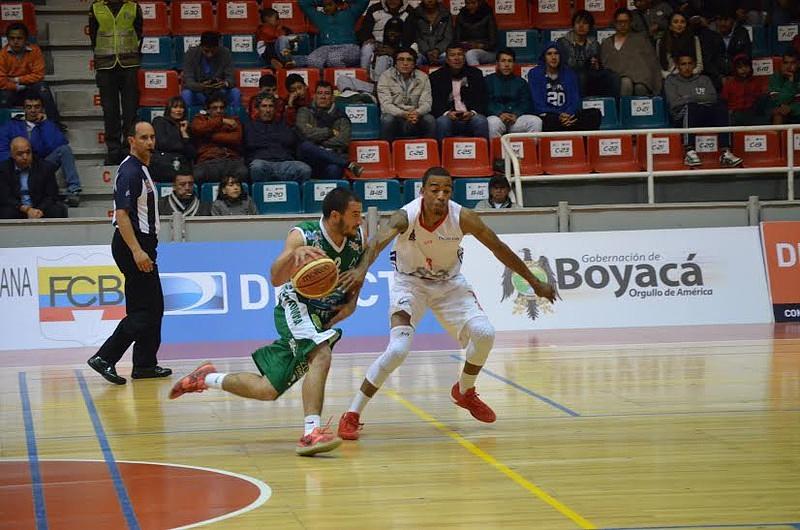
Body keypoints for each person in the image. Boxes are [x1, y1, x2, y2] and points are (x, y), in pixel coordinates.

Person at [337, 167, 556, 440]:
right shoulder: (406, 216)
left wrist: (535, 283)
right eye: (435, 190)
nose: (441, 196)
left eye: (446, 190)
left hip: (449, 285)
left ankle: (465, 391)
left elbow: (499, 248)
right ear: (423, 191)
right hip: (409, 283)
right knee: (398, 349)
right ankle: (353, 413)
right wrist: (361, 270)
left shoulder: (463, 217)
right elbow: (376, 242)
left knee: (485, 334)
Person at [171, 187, 367, 456]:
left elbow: (357, 270)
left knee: (267, 390)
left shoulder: (356, 237)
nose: (361, 220)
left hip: (321, 317)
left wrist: (352, 301)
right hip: (295, 305)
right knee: (320, 354)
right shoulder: (303, 234)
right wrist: (290, 257)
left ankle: (206, 378)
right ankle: (311, 433)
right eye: (355, 214)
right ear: (335, 216)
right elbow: (275, 278)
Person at [87, 122, 172, 385]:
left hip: (143, 244)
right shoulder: (130, 171)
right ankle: (105, 357)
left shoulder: (142, 169)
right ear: (131, 140)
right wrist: (137, 251)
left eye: (152, 137)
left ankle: (145, 364)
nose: (150, 142)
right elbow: (121, 214)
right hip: (132, 244)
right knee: (144, 310)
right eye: (143, 137)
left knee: (154, 306)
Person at [0, 93, 82, 206]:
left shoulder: (48, 124)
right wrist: (18, 160)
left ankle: (74, 191)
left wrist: (44, 124)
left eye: (37, 107)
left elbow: (57, 144)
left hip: (41, 164)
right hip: (17, 164)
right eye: (29, 107)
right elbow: (2, 150)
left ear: (42, 108)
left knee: (65, 150)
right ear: (23, 109)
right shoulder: (11, 126)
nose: (33, 110)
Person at [664, 54, 743, 168]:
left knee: (720, 107)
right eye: (683, 64)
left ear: (694, 65)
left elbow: (713, 98)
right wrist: (697, 98)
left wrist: (687, 98)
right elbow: (674, 103)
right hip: (681, 117)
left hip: (703, 113)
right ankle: (689, 152)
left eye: (690, 63)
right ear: (677, 66)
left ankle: (726, 153)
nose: (687, 67)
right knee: (691, 107)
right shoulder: (671, 81)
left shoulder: (704, 79)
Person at [89, 0, 142, 165]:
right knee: (110, 110)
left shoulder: (133, 6)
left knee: (130, 111)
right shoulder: (96, 7)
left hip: (130, 65)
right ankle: (113, 151)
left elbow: (139, 33)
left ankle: (129, 150)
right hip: (105, 66)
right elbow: (94, 35)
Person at [0, 23, 63, 130]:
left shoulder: (35, 51)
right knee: (3, 96)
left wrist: (17, 79)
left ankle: (55, 124)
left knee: (43, 87)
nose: (15, 41)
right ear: (8, 39)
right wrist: (15, 86)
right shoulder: (2, 54)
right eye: (12, 38)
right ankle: (4, 128)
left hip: (31, 87)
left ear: (26, 39)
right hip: (11, 89)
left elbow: (39, 75)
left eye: (19, 38)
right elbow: (1, 80)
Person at [296, 81, 364, 179]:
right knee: (305, 145)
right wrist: (330, 132)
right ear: (314, 96)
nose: (323, 97)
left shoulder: (341, 117)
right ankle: (349, 165)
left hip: (332, 159)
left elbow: (343, 141)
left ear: (332, 97)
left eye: (327, 94)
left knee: (334, 168)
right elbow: (304, 133)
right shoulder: (304, 112)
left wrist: (316, 141)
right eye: (320, 93)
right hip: (309, 160)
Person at [529, 43, 602, 132]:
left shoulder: (570, 73)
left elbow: (575, 99)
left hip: (569, 115)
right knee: (547, 120)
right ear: (544, 57)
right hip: (550, 116)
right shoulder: (535, 73)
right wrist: (559, 115)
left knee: (594, 114)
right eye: (549, 54)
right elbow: (538, 103)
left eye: (556, 53)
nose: (553, 57)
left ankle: (583, 143)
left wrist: (568, 114)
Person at [244, 94, 311, 182]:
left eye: (271, 106)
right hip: (262, 162)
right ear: (257, 109)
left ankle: (293, 194)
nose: (268, 110)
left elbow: (291, 142)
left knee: (304, 169)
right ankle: (262, 194)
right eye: (264, 106)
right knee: (257, 167)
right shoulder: (249, 125)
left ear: (275, 109)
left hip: (284, 162)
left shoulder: (284, 124)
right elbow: (250, 144)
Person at [429, 44, 489, 141]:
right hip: (448, 117)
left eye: (460, 54)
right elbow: (435, 102)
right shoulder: (436, 77)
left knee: (480, 120)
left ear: (464, 58)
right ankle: (442, 154)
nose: (457, 58)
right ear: (447, 59)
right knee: (442, 122)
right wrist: (447, 113)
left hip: (470, 116)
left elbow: (482, 99)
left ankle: (482, 154)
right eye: (452, 55)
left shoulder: (475, 74)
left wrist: (472, 113)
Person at [376, 48, 436, 142]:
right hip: (395, 117)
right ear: (395, 63)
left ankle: (429, 153)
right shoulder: (385, 77)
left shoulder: (423, 77)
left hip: (416, 117)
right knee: (387, 119)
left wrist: (417, 113)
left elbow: (427, 103)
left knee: (429, 119)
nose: (405, 63)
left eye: (409, 60)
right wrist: (403, 114)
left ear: (414, 63)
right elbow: (385, 105)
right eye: (401, 59)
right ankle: (388, 152)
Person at [0, 137, 67, 219]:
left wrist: (38, 210)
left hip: (39, 208)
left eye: (28, 152)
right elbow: (5, 197)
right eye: (20, 153)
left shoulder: (45, 167)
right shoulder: (3, 169)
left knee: (58, 210)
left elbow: (51, 195)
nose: (25, 157)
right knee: (5, 212)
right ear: (12, 154)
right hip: (17, 208)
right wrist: (26, 209)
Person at [600, 8, 662, 96]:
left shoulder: (641, 40)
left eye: (626, 21)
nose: (622, 24)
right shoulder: (607, 43)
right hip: (615, 82)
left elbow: (651, 63)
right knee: (626, 83)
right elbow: (605, 66)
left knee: (640, 87)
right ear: (614, 23)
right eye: (619, 21)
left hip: (641, 80)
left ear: (631, 22)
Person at [557, 10, 618, 97]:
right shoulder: (563, 42)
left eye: (585, 23)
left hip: (590, 76)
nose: (581, 26)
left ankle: (613, 107)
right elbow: (567, 64)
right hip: (570, 74)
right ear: (573, 25)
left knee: (613, 76)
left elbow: (598, 66)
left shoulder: (594, 43)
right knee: (582, 76)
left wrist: (596, 65)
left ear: (590, 26)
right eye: (578, 22)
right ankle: (581, 107)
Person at [190, 95, 249, 184]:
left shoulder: (234, 120)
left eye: (221, 108)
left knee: (243, 172)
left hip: (230, 159)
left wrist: (208, 136)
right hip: (208, 160)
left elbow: (235, 138)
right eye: (215, 108)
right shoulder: (199, 119)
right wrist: (221, 121)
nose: (219, 110)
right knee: (198, 174)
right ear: (208, 109)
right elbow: (198, 129)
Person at [485, 48, 541, 139]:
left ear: (514, 64)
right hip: (497, 117)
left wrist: (516, 114)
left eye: (510, 61)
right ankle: (497, 153)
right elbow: (486, 102)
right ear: (497, 64)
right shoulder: (488, 80)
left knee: (535, 121)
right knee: (492, 123)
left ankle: (530, 152)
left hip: (516, 119)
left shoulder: (521, 82)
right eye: (503, 61)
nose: (506, 65)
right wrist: (500, 113)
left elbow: (526, 102)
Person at [299, 0, 370, 69]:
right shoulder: (319, 18)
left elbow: (364, 1)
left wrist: (344, 0)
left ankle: (341, 79)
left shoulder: (350, 14)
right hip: (326, 48)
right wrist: (322, 1)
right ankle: (323, 80)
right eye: (324, 6)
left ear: (337, 4)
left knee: (334, 59)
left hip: (349, 47)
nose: (327, 8)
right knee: (312, 60)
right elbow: (303, 3)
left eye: (330, 5)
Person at [181, 31, 241, 112]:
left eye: (213, 51)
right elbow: (188, 81)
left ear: (218, 47)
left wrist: (224, 83)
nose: (210, 54)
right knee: (186, 94)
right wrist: (201, 86)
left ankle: (235, 119)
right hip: (199, 92)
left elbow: (231, 78)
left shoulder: (225, 53)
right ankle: (187, 121)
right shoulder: (191, 54)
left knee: (235, 92)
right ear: (201, 46)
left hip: (219, 92)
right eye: (206, 51)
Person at [357, 0, 414, 79]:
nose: (392, 1)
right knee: (367, 48)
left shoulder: (410, 11)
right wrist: (370, 39)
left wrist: (395, 50)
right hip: (377, 43)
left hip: (399, 45)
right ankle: (364, 76)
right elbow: (365, 30)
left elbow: (410, 36)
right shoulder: (374, 8)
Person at [150, 96, 197, 183]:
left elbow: (192, 153)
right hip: (162, 164)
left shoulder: (187, 127)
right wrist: (183, 146)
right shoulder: (159, 121)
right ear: (169, 109)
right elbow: (162, 143)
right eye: (175, 107)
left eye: (181, 107)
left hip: (182, 167)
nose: (178, 110)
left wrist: (184, 133)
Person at [721, 54, 769, 125]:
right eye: (740, 67)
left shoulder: (757, 82)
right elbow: (724, 100)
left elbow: (760, 101)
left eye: (746, 66)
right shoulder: (729, 83)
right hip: (735, 114)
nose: (744, 69)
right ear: (735, 69)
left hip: (752, 114)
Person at [656, 13, 704, 79]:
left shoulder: (693, 39)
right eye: (676, 22)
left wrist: (687, 74)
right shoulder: (661, 42)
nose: (679, 25)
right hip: (670, 78)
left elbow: (699, 65)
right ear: (670, 26)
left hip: (690, 77)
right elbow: (659, 67)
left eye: (682, 22)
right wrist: (670, 76)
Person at [454, 0, 498, 66]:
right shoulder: (461, 16)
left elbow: (493, 42)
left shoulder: (487, 15)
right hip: (465, 50)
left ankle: (475, 75)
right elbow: (456, 39)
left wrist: (480, 46)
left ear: (480, 2)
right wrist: (464, 46)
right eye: (467, 3)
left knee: (471, 54)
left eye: (473, 3)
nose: (470, 6)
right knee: (447, 55)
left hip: (487, 52)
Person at [410, 0, 452, 66]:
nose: (429, 1)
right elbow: (417, 37)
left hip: (442, 51)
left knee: (451, 59)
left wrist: (437, 50)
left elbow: (448, 37)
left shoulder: (445, 14)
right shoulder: (416, 14)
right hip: (422, 51)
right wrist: (427, 51)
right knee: (414, 60)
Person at [767, 49, 800, 125]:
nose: (788, 66)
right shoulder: (775, 78)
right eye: (786, 63)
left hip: (796, 111)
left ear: (798, 64)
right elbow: (779, 101)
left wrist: (792, 108)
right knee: (778, 115)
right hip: (785, 113)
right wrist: (790, 81)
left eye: (792, 63)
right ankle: (776, 137)